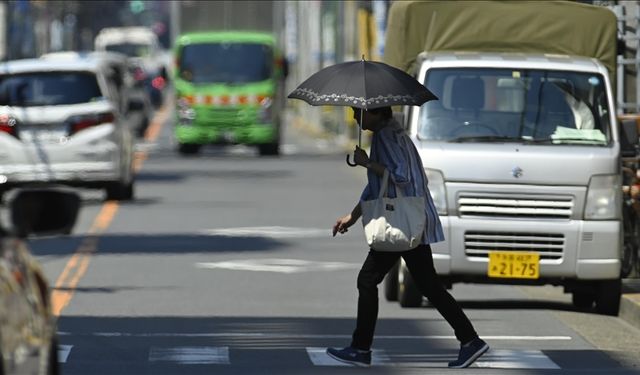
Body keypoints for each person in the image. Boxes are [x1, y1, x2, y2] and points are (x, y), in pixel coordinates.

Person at [326, 106, 489, 369]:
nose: (356, 118)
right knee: (429, 286)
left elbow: (400, 176)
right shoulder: (396, 134)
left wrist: (367, 162)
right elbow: (378, 185)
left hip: (400, 222)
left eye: (359, 112)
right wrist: (353, 216)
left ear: (377, 113)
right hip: (411, 220)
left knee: (367, 280)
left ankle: (360, 348)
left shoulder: (386, 137)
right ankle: (470, 340)